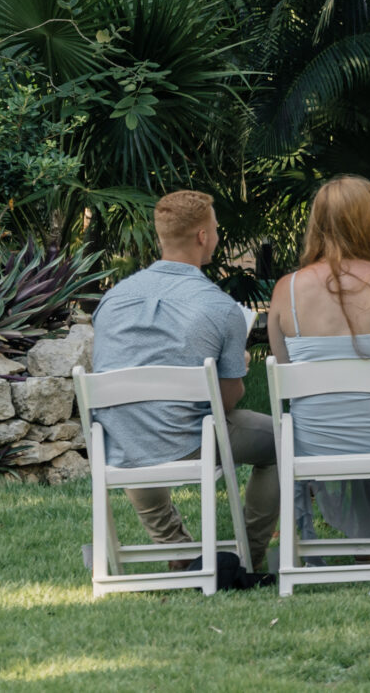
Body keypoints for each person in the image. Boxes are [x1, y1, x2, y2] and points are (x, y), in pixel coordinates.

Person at [89, 189, 277, 571]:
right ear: (203, 236)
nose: (218, 236)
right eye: (216, 229)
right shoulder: (220, 307)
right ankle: (249, 556)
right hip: (190, 442)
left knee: (133, 424)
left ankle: (177, 549)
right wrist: (237, 365)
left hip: (119, 444)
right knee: (283, 440)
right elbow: (226, 400)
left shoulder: (111, 301)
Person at [266, 175, 370, 545]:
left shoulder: (286, 289)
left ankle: (365, 540)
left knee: (350, 408)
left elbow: (283, 367)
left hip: (309, 439)